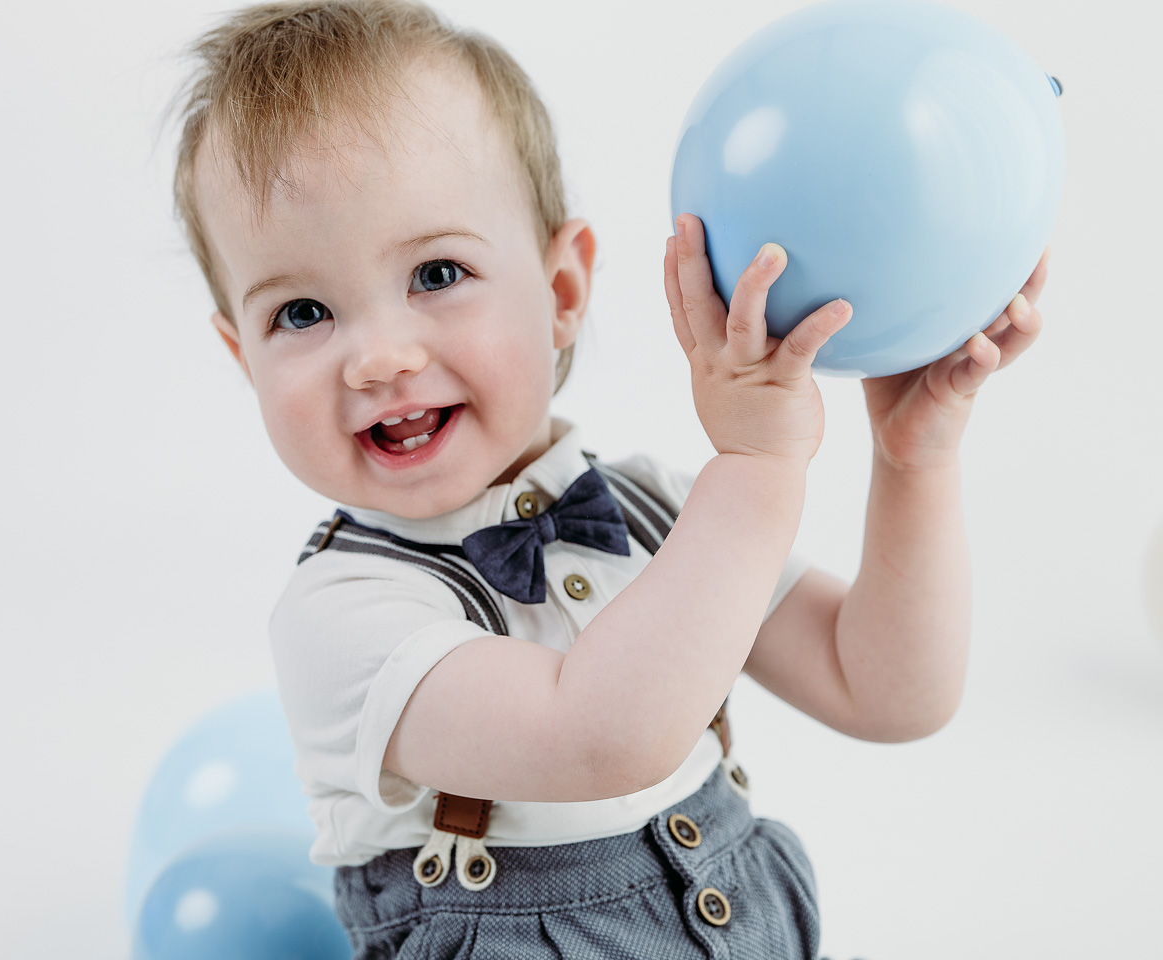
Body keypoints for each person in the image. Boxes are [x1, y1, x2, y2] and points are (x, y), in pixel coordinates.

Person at [169, 1, 1050, 956]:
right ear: (240, 355)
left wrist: (914, 462)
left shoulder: (654, 510)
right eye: (301, 312)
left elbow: (885, 692)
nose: (378, 358)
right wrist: (756, 467)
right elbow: (598, 734)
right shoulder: (342, 615)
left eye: (435, 274)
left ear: (560, 294)